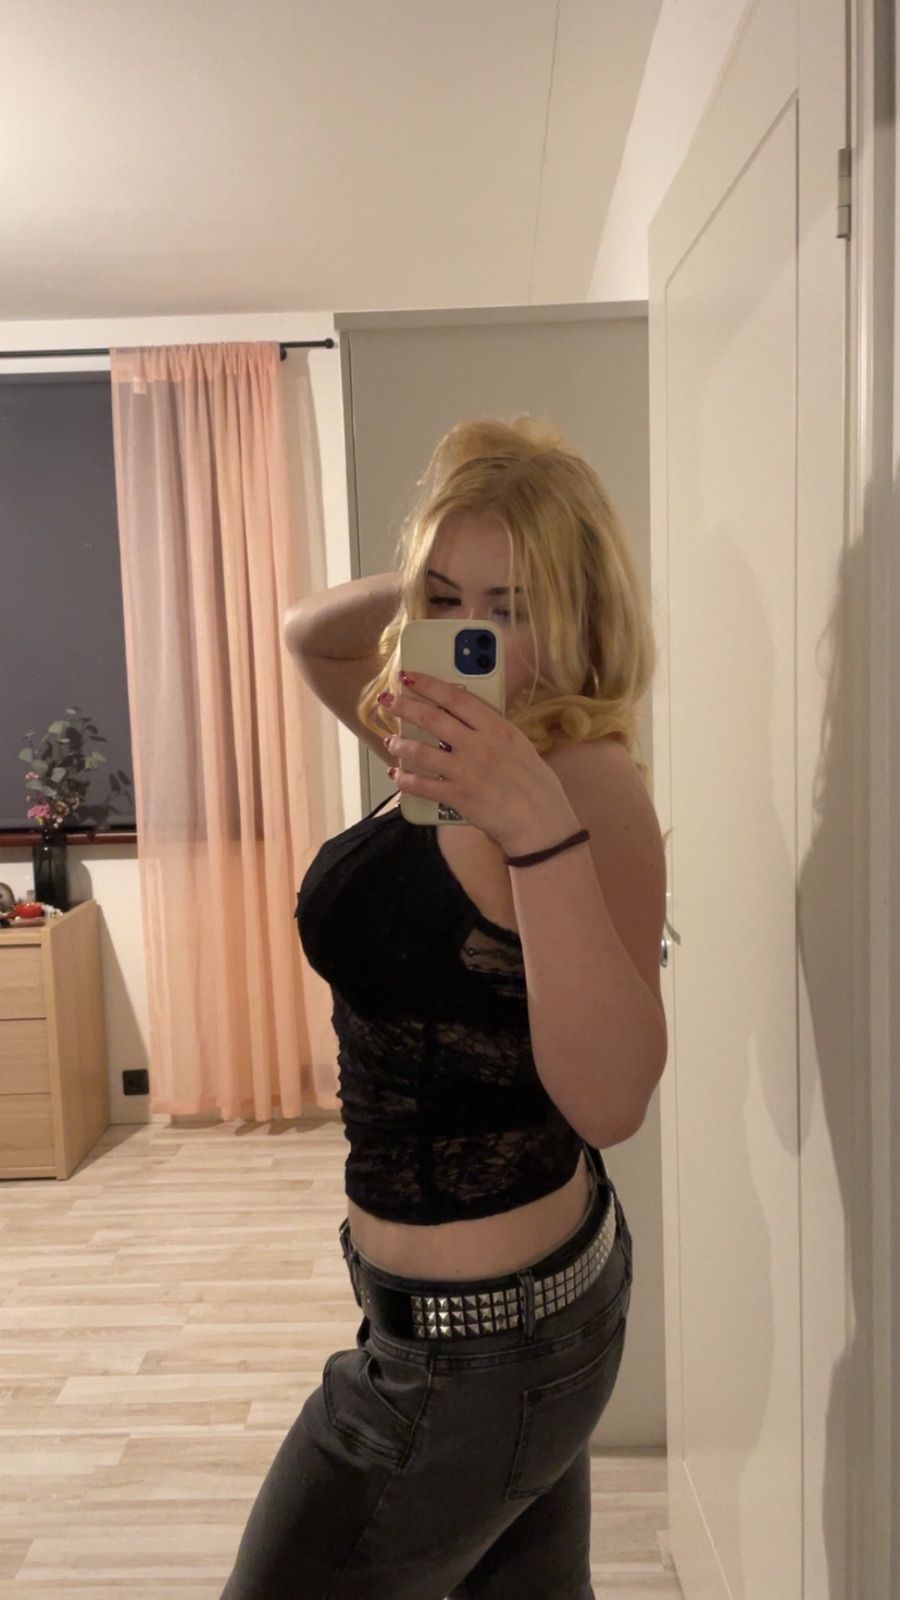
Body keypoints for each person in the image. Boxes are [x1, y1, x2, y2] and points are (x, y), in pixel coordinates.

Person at [219, 415, 667, 1600]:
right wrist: (444, 576)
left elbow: (613, 1098)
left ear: (580, 617)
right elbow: (308, 634)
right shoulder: (439, 739)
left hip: (479, 1355)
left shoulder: (578, 779)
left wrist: (537, 828)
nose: (473, 633)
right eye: (446, 600)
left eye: (515, 607)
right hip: (457, 1330)